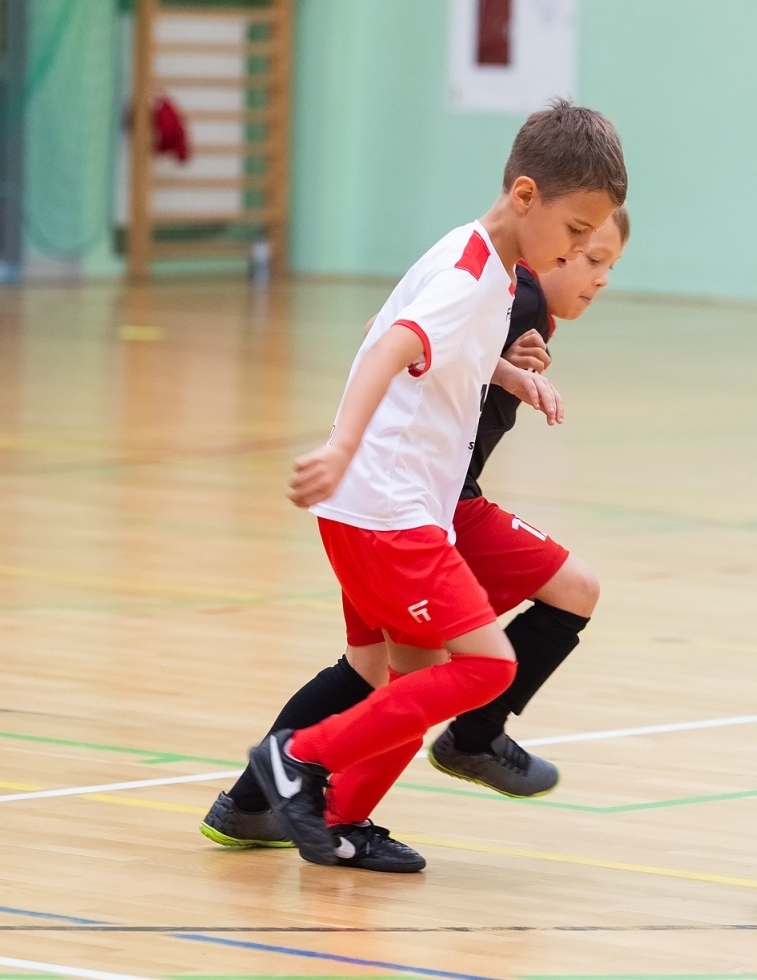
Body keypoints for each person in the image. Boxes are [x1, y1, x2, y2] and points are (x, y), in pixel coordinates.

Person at [246, 101, 626, 872]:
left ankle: (342, 821)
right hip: (390, 511)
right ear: (526, 197)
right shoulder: (470, 275)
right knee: (488, 665)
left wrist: (511, 372)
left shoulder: (474, 258)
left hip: (380, 507)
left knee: (414, 676)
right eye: (578, 234)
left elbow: (408, 337)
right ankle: (299, 759)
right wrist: (343, 444)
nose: (579, 252)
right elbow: (389, 345)